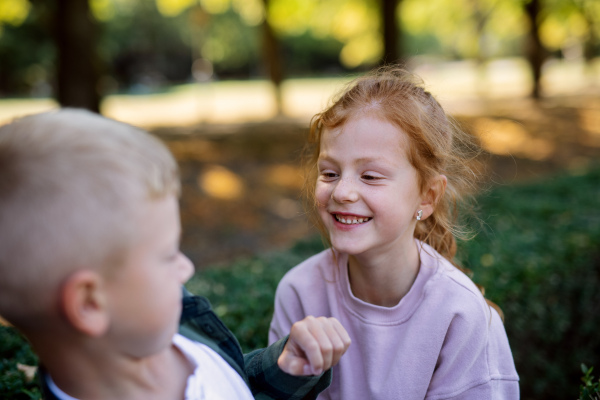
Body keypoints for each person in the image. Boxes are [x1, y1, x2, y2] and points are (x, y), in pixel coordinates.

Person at [0, 109, 351, 400]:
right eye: (167, 256)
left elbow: (236, 387)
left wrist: (285, 369)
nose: (187, 267)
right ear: (90, 303)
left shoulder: (180, 328)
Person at [269, 67, 519, 399]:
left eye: (370, 176)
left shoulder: (460, 316)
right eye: (329, 172)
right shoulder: (299, 292)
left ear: (427, 195)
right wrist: (286, 375)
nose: (342, 191)